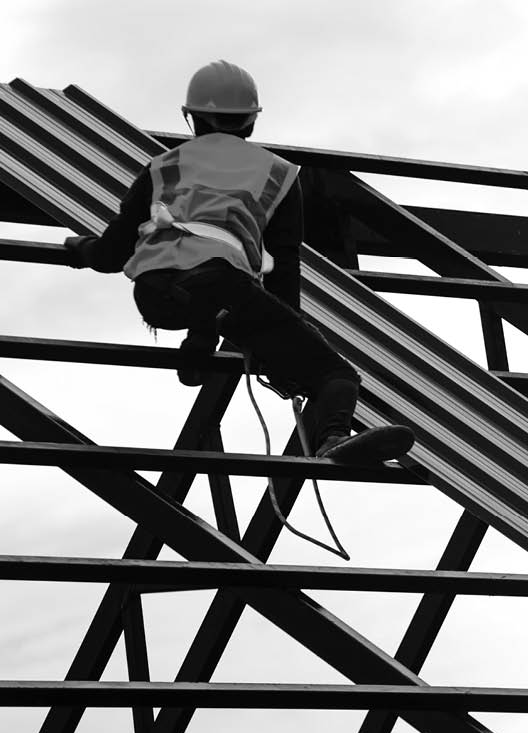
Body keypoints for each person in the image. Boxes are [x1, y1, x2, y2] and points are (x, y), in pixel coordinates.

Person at [62, 60, 410, 463]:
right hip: (222, 288)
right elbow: (284, 266)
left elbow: (111, 254)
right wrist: (286, 337)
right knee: (337, 375)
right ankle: (333, 439)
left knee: (210, 295)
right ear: (251, 121)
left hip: (155, 295)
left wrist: (79, 250)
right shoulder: (278, 173)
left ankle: (198, 349)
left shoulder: (164, 166)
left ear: (192, 117)